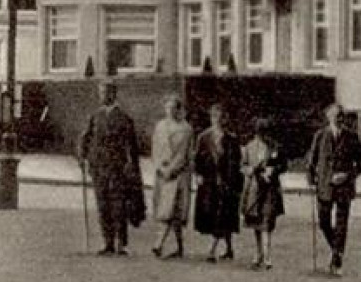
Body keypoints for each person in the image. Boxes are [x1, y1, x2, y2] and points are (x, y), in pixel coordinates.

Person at [77, 82, 143, 256]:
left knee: (118, 205)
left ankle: (121, 242)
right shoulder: (95, 116)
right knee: (102, 205)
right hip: (98, 168)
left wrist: (130, 165)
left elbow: (131, 145)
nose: (102, 95)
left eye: (105, 92)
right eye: (100, 92)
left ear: (113, 94)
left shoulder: (124, 118)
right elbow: (85, 136)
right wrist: (81, 156)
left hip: (117, 168)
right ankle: (108, 242)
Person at [306, 103, 361, 277]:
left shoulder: (351, 137)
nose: (339, 119)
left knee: (341, 224)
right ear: (328, 118)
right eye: (335, 116)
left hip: (344, 188)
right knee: (324, 222)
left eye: (341, 116)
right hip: (324, 187)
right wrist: (311, 179)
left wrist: (349, 175)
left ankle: (336, 259)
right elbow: (311, 160)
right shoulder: (320, 136)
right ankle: (337, 250)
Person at [192, 104, 243, 263]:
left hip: (226, 182)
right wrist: (198, 174)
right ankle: (229, 249)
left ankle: (212, 250)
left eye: (221, 118)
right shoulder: (203, 137)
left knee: (222, 213)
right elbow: (197, 159)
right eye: (215, 117)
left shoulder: (231, 139)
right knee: (217, 214)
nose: (218, 121)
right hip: (209, 182)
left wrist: (232, 181)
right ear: (211, 118)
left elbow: (236, 161)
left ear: (225, 119)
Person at [150, 96, 194, 260]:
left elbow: (184, 154)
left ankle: (158, 244)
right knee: (169, 211)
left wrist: (171, 169)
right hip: (163, 174)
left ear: (178, 109)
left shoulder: (185, 129)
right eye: (167, 108)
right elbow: (155, 148)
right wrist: (159, 167)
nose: (169, 111)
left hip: (178, 175)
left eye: (172, 108)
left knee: (171, 210)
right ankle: (179, 247)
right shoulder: (160, 126)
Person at [241, 118, 287, 270]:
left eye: (265, 132)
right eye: (260, 133)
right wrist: (250, 170)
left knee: (267, 221)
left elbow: (283, 165)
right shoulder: (249, 147)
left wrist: (274, 170)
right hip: (255, 188)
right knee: (256, 221)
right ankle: (258, 252)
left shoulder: (275, 147)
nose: (262, 136)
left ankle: (267, 256)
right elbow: (243, 166)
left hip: (270, 189)